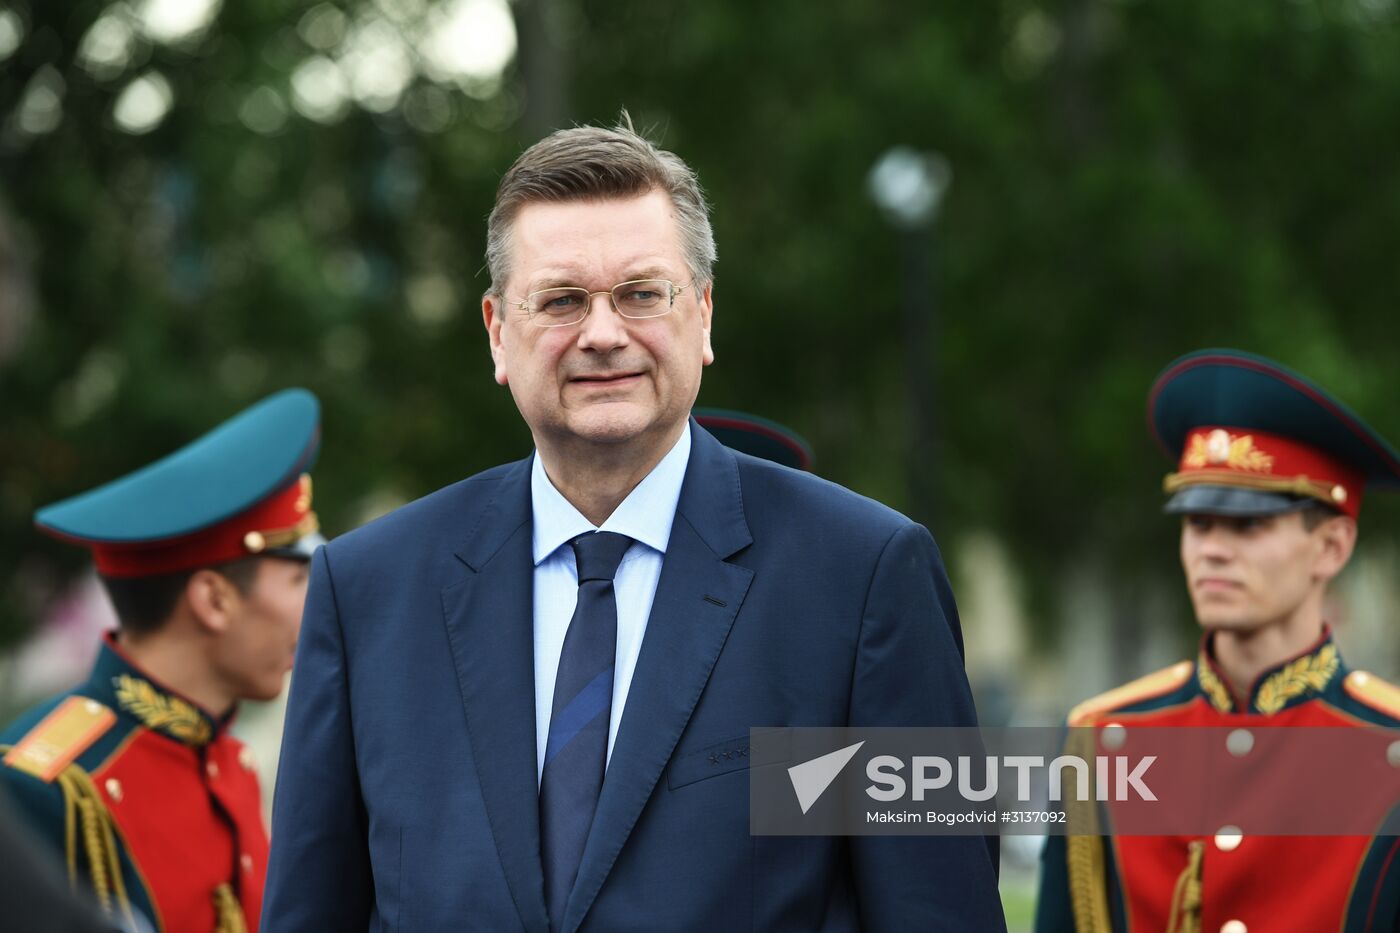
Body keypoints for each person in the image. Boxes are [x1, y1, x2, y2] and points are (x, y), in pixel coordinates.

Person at [263, 118, 1004, 932]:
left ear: (706, 314)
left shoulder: (865, 578)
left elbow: (940, 911)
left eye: (642, 293)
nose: (604, 332)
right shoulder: (369, 593)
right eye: (563, 299)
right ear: (497, 332)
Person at [1034, 349, 1400, 933]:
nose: (1213, 550)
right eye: (1199, 523)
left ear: (1332, 547)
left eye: (1249, 525)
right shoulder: (1102, 739)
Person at [1, 388, 324, 933]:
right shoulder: (49, 786)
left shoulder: (224, 758)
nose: (315, 603)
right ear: (213, 601)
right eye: (298, 579)